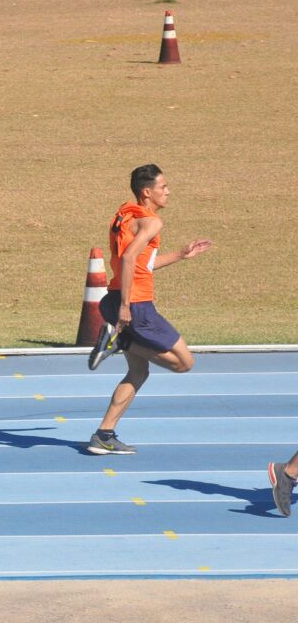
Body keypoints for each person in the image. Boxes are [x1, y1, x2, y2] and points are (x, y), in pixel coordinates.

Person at [85, 164, 211, 455]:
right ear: (147, 192)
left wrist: (181, 254)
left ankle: (104, 434)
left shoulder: (125, 214)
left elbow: (142, 263)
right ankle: (120, 341)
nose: (168, 191)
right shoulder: (152, 222)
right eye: (163, 187)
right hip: (136, 304)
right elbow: (129, 259)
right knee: (184, 362)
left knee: (138, 372)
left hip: (114, 299)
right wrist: (128, 308)